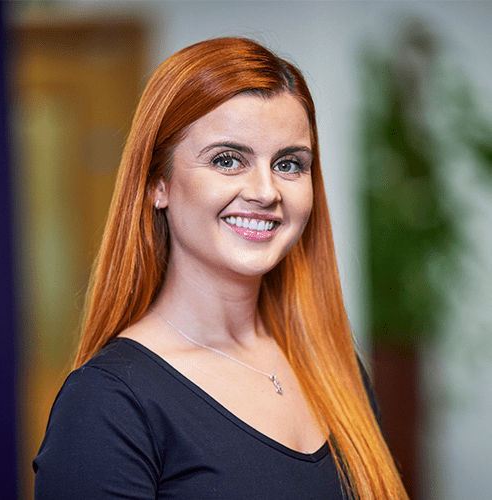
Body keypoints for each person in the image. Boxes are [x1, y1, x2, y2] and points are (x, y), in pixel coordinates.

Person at [33, 37, 408, 499]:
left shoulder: (334, 366)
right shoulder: (108, 403)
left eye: (289, 164)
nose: (266, 191)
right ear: (158, 184)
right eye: (228, 160)